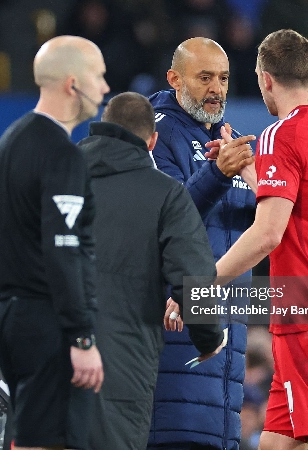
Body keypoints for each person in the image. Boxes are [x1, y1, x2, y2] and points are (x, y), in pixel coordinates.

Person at [215, 29, 308, 450]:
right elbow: (302, 203)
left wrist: (205, 282)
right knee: (276, 442)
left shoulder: (281, 134)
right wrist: (249, 173)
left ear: (265, 79)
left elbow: (267, 234)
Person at [77, 91, 226, 450]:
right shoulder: (166, 194)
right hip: (120, 365)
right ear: (152, 141)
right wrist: (209, 337)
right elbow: (193, 276)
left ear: (99, 130)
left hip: (42, 357)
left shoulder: (50, 179)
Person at [0, 35, 107, 450]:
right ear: (73, 83)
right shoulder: (61, 154)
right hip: (46, 320)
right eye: (99, 75)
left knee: (30, 438)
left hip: (8, 318)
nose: (105, 87)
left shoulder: (7, 144)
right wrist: (82, 336)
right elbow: (63, 247)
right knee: (51, 441)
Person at [147, 37, 256, 449]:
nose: (217, 89)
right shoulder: (155, 134)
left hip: (226, 355)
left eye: (224, 79)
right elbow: (165, 218)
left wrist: (257, 183)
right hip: (174, 341)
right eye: (205, 77)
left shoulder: (232, 140)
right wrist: (219, 173)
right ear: (174, 78)